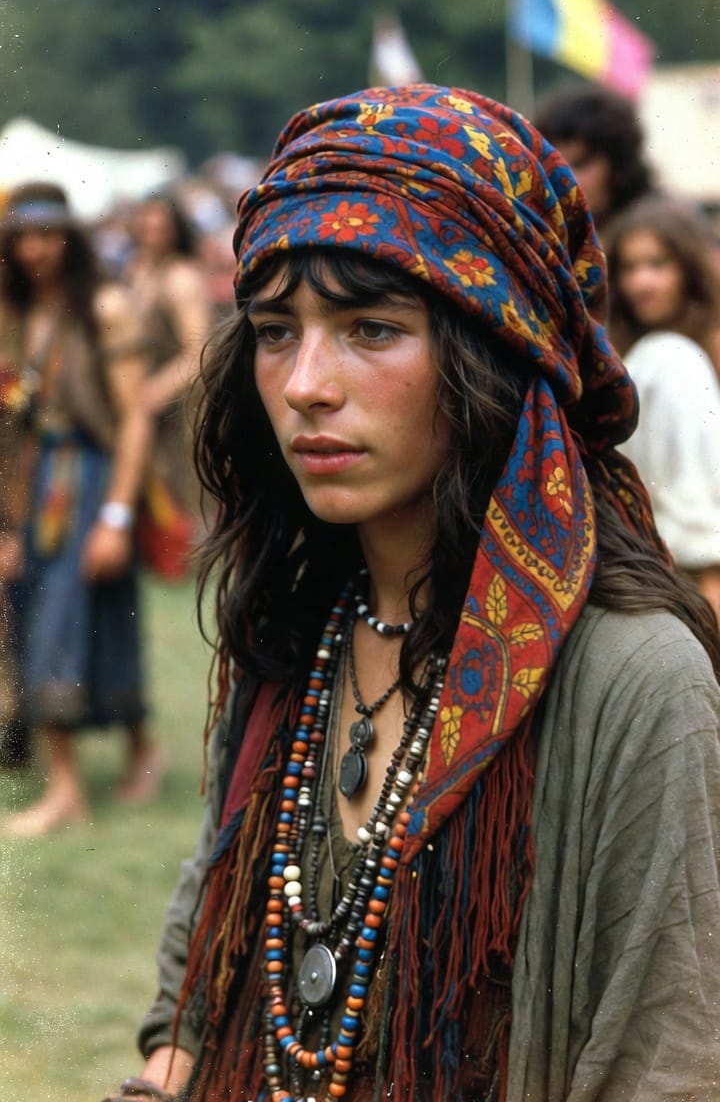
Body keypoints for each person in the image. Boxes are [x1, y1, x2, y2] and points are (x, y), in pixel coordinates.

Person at [102, 87, 720, 1102]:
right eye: (273, 329)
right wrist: (172, 1067)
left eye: (370, 327)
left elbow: (672, 1062)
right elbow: (202, 981)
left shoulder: (633, 678)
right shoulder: (290, 638)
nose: (305, 380)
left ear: (491, 348)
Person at [0, 182, 159, 835]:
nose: (37, 250)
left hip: (90, 480)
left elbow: (137, 419)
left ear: (72, 236)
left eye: (48, 234)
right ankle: (135, 752)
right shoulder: (11, 314)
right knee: (59, 613)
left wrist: (117, 515)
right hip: (34, 483)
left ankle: (70, 790)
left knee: (67, 617)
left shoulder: (105, 306)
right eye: (23, 237)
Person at [606, 194, 720, 623]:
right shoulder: (668, 356)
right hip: (678, 580)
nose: (642, 283)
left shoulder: (669, 356)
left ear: (688, 270)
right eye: (630, 268)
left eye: (658, 264)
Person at [124, 193, 212, 558]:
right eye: (145, 224)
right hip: (139, 401)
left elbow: (199, 352)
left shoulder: (182, 277)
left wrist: (153, 392)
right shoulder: (136, 269)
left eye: (160, 226)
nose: (151, 233)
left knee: (181, 493)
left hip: (174, 405)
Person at [534, 82, 654, 235]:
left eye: (580, 164)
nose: (566, 179)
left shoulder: (654, 234)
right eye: (554, 168)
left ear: (618, 166)